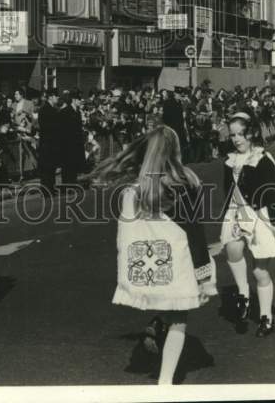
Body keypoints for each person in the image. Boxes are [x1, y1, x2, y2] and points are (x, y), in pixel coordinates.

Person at [94, 125, 216, 385]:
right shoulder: (184, 182)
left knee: (169, 307)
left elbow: (126, 234)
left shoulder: (135, 188)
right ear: (175, 150)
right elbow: (194, 233)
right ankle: (165, 382)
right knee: (180, 320)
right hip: (180, 261)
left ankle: (158, 323)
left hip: (153, 263)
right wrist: (205, 275)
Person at [220, 111, 275, 336]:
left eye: (241, 135)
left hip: (260, 215)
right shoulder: (229, 160)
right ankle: (243, 295)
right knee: (232, 250)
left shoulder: (261, 158)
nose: (236, 139)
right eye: (233, 135)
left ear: (251, 134)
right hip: (238, 212)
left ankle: (266, 318)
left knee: (260, 271)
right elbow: (228, 189)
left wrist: (274, 222)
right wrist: (229, 213)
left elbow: (273, 191)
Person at [37, 89, 62, 193]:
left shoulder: (50, 109)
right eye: (56, 97)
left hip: (49, 142)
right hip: (48, 143)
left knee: (51, 166)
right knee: (48, 167)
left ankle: (50, 187)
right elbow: (48, 127)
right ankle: (47, 188)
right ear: (51, 97)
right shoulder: (47, 110)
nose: (57, 98)